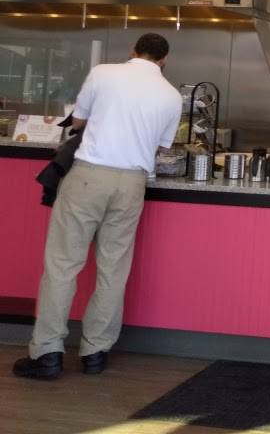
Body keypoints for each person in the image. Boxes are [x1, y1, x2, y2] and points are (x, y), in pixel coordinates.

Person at [13, 34, 182, 380]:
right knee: (113, 269)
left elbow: (77, 121)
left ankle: (47, 353)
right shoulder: (172, 95)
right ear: (164, 60)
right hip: (132, 184)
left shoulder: (104, 72)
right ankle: (95, 352)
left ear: (133, 50)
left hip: (90, 176)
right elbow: (162, 145)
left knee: (63, 265)